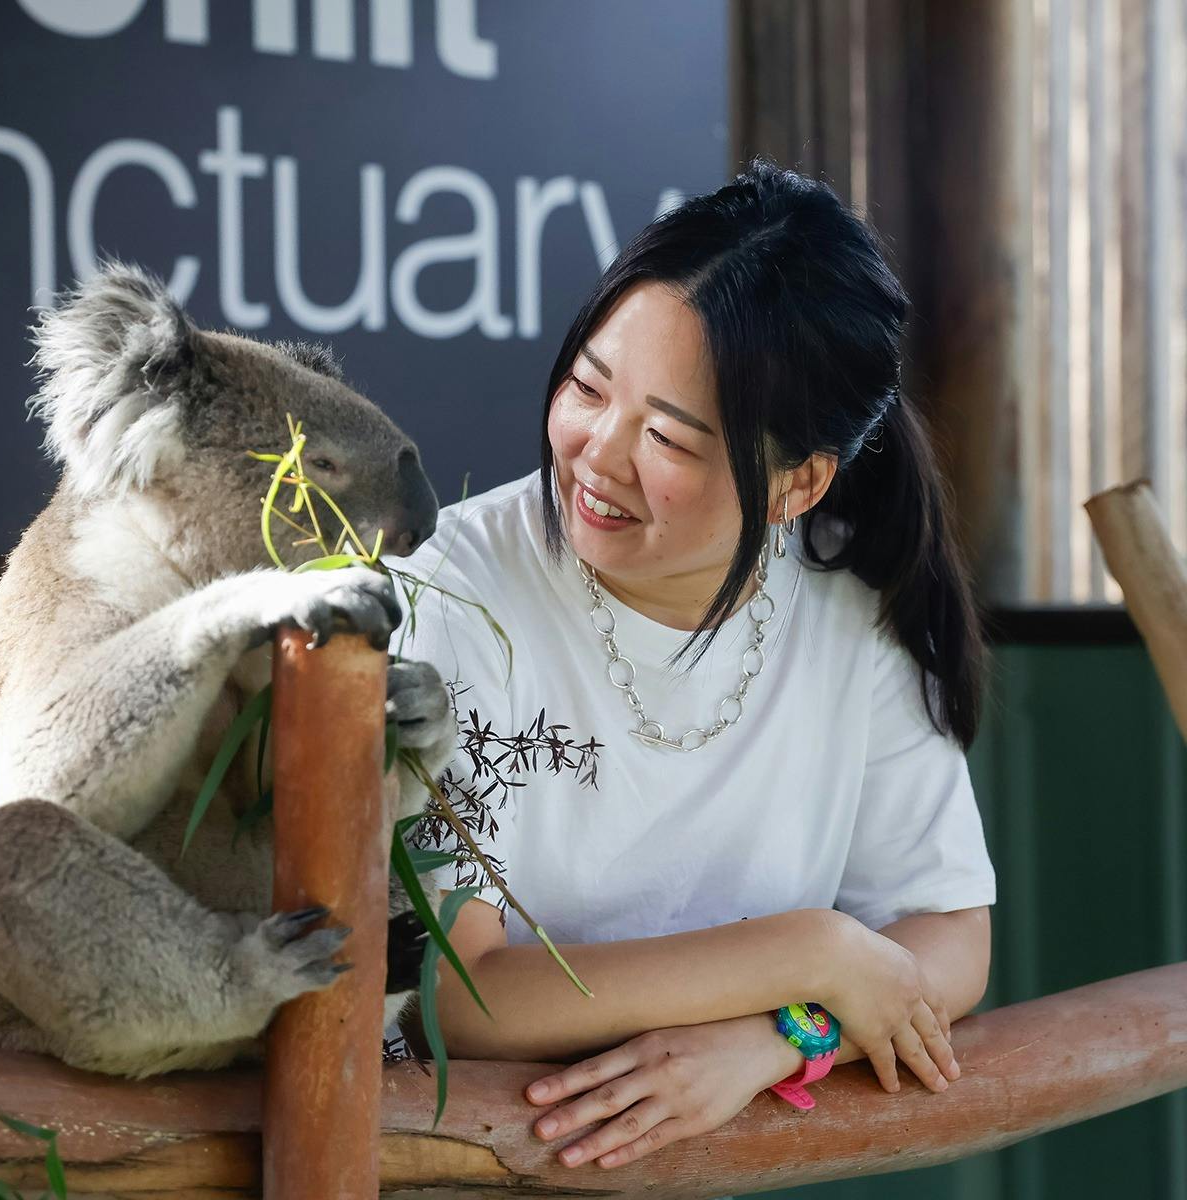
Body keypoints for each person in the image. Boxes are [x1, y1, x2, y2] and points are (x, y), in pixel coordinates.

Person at [403, 161, 996, 1171]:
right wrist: (815, 954)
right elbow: (463, 995)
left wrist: (773, 1040)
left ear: (795, 484)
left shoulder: (850, 602)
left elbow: (947, 937)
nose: (596, 452)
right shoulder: (455, 597)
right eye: (588, 386)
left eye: (668, 436)